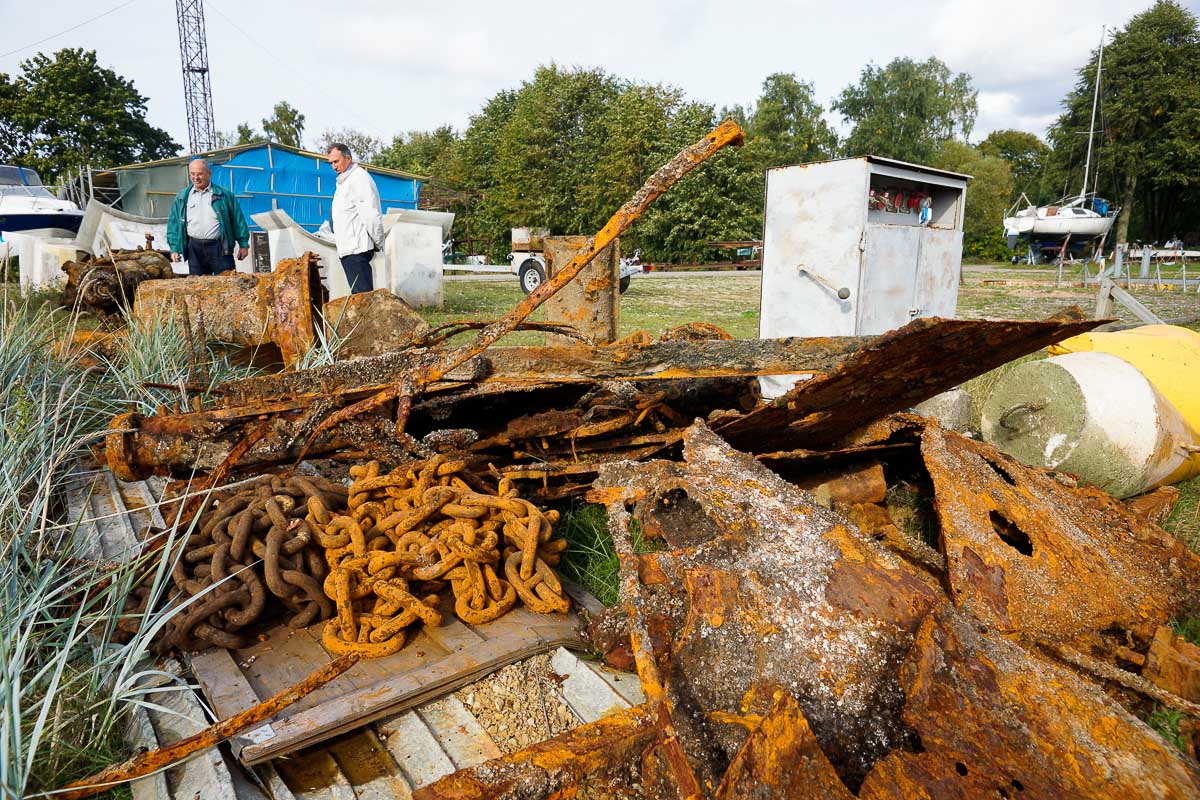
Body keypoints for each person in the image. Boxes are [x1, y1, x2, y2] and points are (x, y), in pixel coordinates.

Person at [166, 158, 249, 275]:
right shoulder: (182, 197)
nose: (196, 178)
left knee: (226, 284)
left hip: (219, 247)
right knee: (198, 286)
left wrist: (243, 245)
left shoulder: (224, 195)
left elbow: (238, 221)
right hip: (194, 248)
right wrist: (174, 248)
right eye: (192, 174)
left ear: (209, 174)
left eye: (200, 174)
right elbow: (174, 224)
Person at [326, 142, 384, 293]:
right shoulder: (344, 180)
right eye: (331, 163)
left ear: (348, 158)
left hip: (356, 249)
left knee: (363, 298)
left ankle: (370, 318)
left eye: (336, 161)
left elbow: (371, 214)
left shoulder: (359, 179)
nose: (333, 166)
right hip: (348, 248)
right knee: (359, 297)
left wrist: (378, 241)